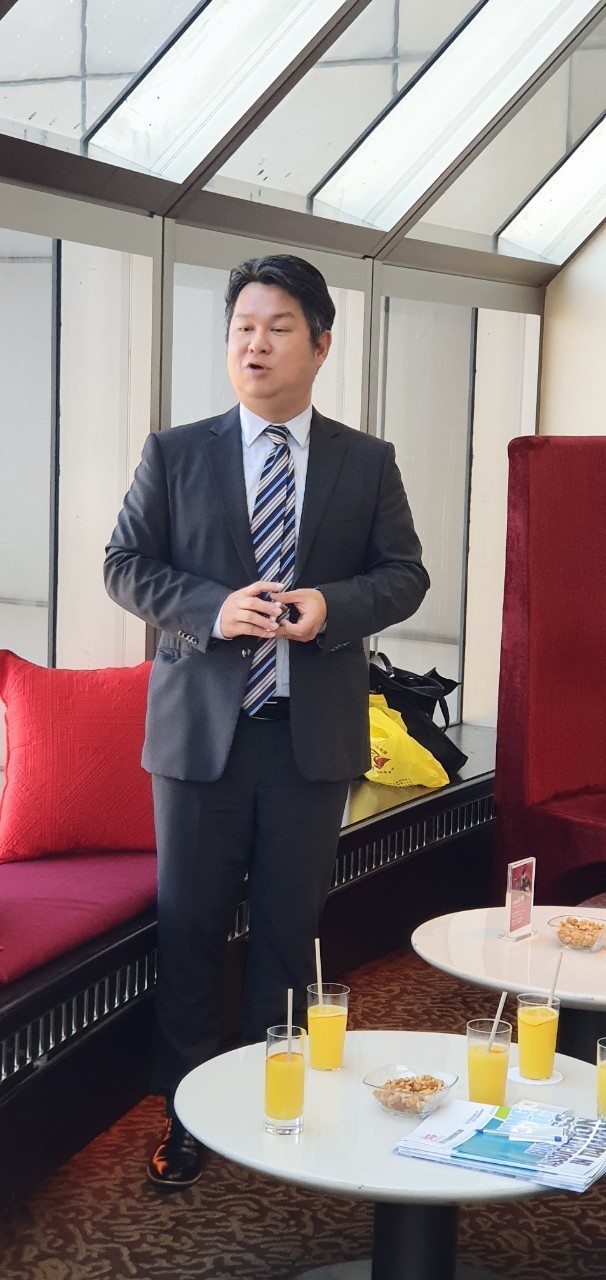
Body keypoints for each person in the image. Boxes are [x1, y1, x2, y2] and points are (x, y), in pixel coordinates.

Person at [104, 254, 429, 1188]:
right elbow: (124, 565)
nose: (255, 344)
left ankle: (267, 1105)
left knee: (290, 935)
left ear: (320, 345)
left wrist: (332, 606)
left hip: (307, 738)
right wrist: (212, 608)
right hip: (199, 741)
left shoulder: (366, 461)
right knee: (190, 932)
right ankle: (187, 1116)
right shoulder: (176, 452)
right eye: (243, 327)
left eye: (278, 328)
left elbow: (405, 575)